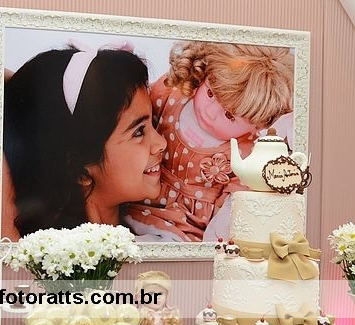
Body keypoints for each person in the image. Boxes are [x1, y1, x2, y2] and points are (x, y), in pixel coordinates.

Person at [125, 41, 295, 242]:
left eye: (229, 115)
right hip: (136, 200)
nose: (210, 112)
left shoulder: (247, 154)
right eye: (210, 93)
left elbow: (233, 209)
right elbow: (130, 119)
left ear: (258, 124)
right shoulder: (172, 94)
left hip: (187, 229)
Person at [3, 44, 168, 239]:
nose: (162, 143)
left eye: (153, 122)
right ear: (78, 168)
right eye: (139, 132)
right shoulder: (40, 251)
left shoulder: (164, 231)